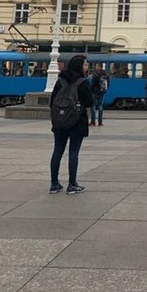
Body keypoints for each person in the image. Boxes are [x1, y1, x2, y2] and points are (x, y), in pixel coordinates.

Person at [49, 54, 93, 194]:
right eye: (85, 64)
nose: (87, 67)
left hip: (60, 121)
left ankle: (54, 184)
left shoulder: (60, 80)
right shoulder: (83, 82)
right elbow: (90, 102)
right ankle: (72, 184)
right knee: (73, 152)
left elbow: (52, 101)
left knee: (57, 151)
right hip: (77, 121)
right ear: (79, 66)